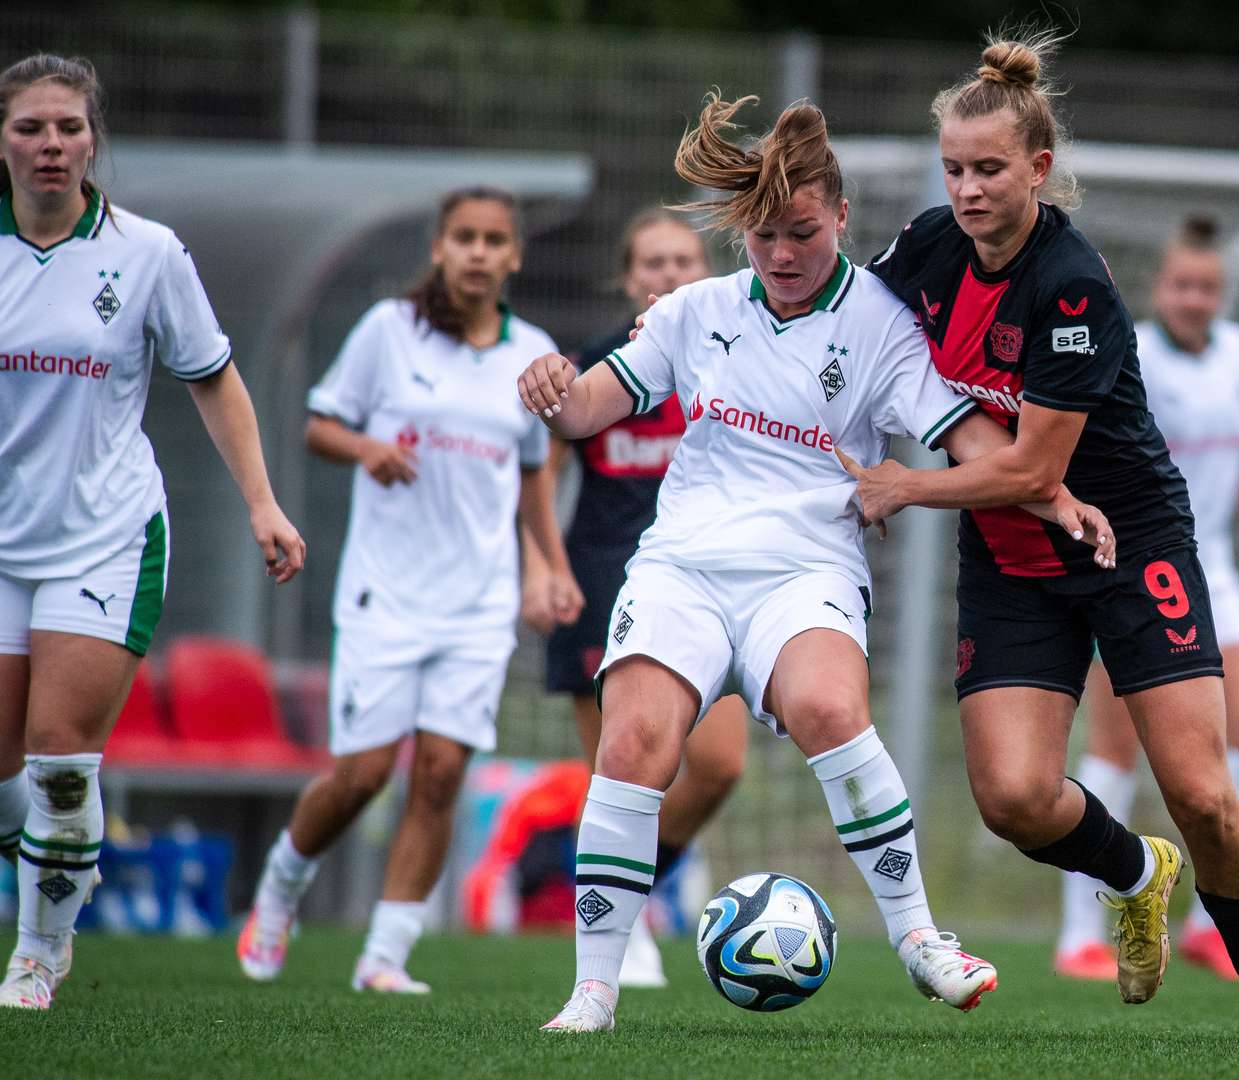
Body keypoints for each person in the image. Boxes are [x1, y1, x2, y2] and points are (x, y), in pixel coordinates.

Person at [522, 93, 1115, 1033]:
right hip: (683, 563)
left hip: (805, 569)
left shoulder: (882, 324)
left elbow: (968, 437)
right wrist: (553, 386)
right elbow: (589, 410)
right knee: (633, 746)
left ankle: (921, 942)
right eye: (763, 237)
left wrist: (1057, 495)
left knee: (831, 710)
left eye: (802, 231)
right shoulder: (692, 312)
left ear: (841, 217)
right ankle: (593, 990)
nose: (783, 254)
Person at [850, 32, 1239, 1045]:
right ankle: (1134, 874)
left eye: (990, 170)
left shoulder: (1071, 286)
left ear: (1039, 170)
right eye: (955, 170)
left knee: (1201, 790)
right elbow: (848, 327)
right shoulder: (929, 246)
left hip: (1125, 542)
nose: (969, 191)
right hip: (1011, 561)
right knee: (1015, 798)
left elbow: (1031, 471)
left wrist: (905, 485)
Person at [0, 53, 306, 1010]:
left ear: (94, 139)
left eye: (69, 128)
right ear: (2, 139)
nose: (52, 145)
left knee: (58, 763)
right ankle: (65, 863)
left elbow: (212, 375)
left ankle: (39, 953)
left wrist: (262, 503)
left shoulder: (148, 253)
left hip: (105, 535)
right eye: (30, 128)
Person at [236, 186, 576, 995]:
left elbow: (533, 475)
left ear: (514, 256)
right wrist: (368, 448)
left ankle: (384, 958)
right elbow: (318, 425)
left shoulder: (532, 351)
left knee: (441, 774)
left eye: (496, 239)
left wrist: (550, 565)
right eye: (465, 236)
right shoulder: (390, 332)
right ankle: (282, 885)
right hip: (386, 596)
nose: (479, 252)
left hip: (478, 605)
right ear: (439, 245)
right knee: (361, 778)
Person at [1053, 214, 1239, 985]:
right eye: (1183, 285)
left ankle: (1207, 926)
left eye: (1209, 287)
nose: (1195, 299)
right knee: (1114, 751)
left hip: (1215, 570)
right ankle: (1079, 935)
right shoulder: (1134, 356)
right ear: (1158, 289)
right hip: (1134, 567)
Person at [524, 210, 751, 988]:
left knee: (719, 765)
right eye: (652, 262)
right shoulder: (600, 364)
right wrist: (540, 564)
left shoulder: (733, 359)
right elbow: (539, 473)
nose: (668, 274)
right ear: (629, 278)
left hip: (710, 580)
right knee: (620, 776)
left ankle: (635, 885)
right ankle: (623, 932)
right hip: (604, 584)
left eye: (684, 259)